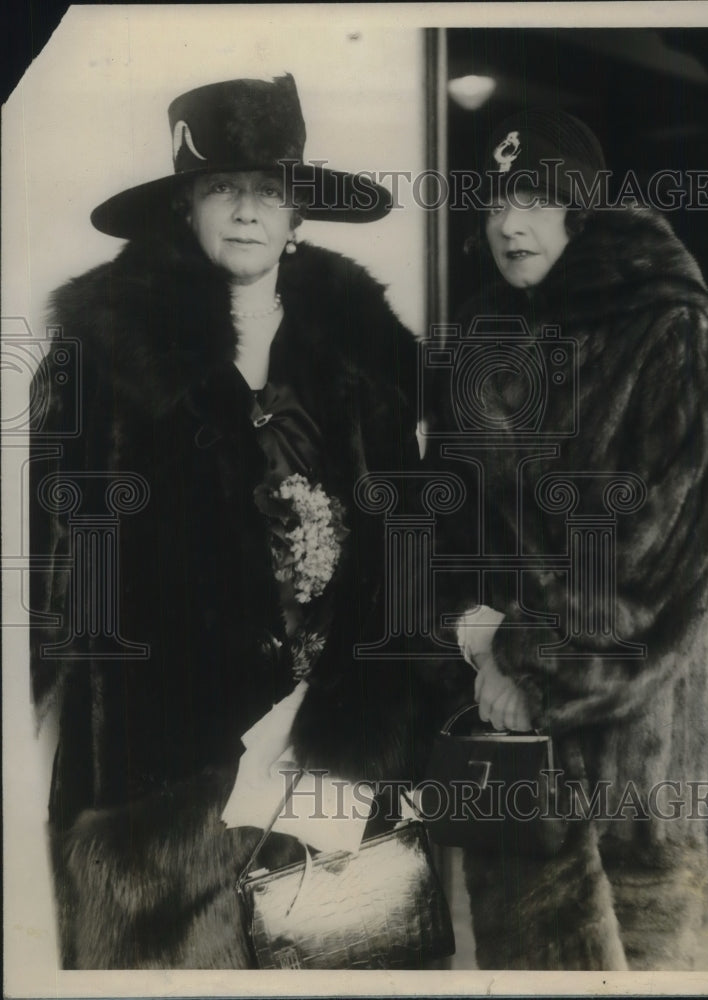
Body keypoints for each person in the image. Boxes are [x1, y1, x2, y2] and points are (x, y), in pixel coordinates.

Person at [29, 75, 443, 969]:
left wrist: (386, 701)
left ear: (299, 211)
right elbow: (59, 547)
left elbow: (407, 539)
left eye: (268, 191)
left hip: (334, 728)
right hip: (164, 748)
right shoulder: (101, 344)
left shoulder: (362, 350)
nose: (247, 212)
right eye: (223, 189)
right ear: (186, 205)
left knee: (336, 955)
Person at [426, 109, 708, 970]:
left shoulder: (668, 327)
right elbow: (447, 517)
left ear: (581, 209)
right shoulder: (486, 336)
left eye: (534, 197)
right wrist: (470, 630)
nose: (509, 223)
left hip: (625, 769)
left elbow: (662, 559)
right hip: (507, 756)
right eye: (493, 200)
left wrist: (533, 663)